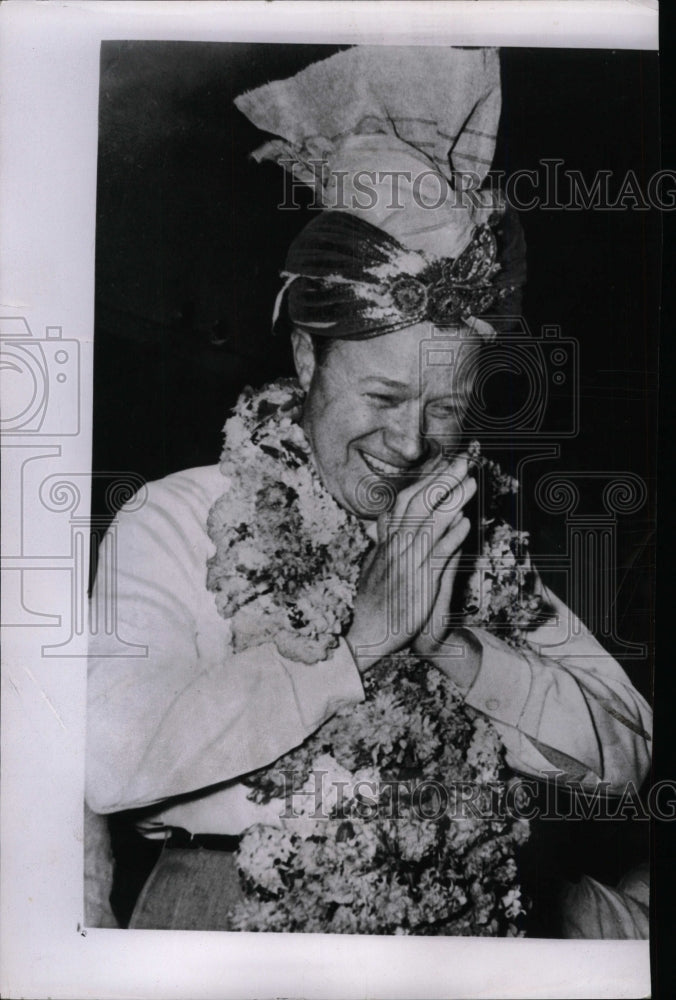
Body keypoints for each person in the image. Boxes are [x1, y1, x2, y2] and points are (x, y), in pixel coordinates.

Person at [85, 46, 652, 931]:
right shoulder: (179, 517)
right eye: (383, 396)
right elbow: (108, 760)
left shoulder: (468, 540)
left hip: (453, 925)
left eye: (448, 408)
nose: (411, 442)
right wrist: (359, 645)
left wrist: (454, 648)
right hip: (224, 917)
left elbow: (627, 747)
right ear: (309, 356)